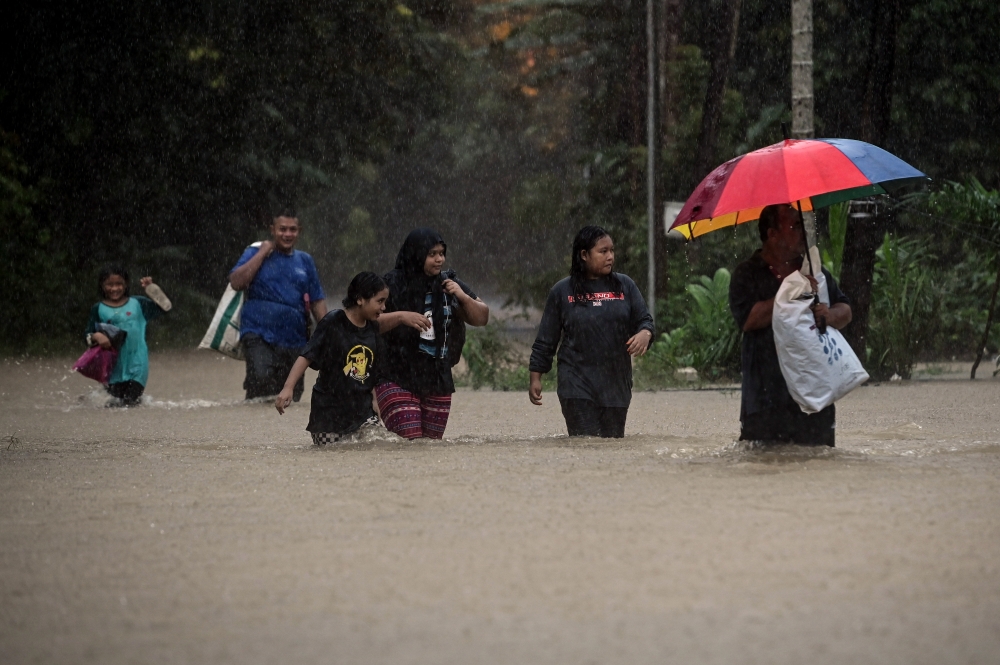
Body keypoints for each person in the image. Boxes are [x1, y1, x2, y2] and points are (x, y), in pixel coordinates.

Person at [728, 203, 853, 446]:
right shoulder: (747, 273)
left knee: (818, 468)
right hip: (765, 402)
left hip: (815, 399)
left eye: (803, 225)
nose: (804, 233)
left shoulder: (814, 270)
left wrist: (828, 315)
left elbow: (845, 310)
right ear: (772, 234)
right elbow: (749, 319)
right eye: (795, 226)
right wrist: (791, 291)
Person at [528, 225, 654, 438]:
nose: (610, 256)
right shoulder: (562, 291)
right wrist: (535, 377)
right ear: (584, 255)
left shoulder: (625, 286)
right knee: (585, 444)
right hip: (576, 384)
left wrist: (645, 334)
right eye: (603, 251)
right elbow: (546, 339)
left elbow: (645, 321)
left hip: (616, 385)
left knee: (612, 448)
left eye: (612, 251)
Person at [375, 228, 490, 440]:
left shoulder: (449, 283)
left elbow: (481, 318)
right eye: (432, 254)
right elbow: (367, 322)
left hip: (437, 377)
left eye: (441, 253)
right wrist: (401, 317)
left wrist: (462, 296)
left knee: (430, 449)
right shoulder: (391, 284)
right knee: (410, 442)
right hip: (395, 374)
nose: (439, 260)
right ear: (416, 254)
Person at [275, 272, 388, 445]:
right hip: (329, 415)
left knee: (378, 446)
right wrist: (288, 387)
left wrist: (375, 400)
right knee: (333, 457)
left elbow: (369, 371)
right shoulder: (334, 322)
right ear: (360, 299)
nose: (384, 307)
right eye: (379, 301)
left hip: (362, 413)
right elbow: (307, 355)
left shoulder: (372, 328)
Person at [229, 208, 327, 401]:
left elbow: (317, 300)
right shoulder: (255, 252)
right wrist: (263, 252)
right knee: (261, 381)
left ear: (299, 230)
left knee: (291, 396)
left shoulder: (305, 261)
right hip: (258, 333)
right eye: (283, 229)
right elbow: (236, 282)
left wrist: (331, 332)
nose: (288, 234)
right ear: (272, 229)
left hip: (295, 339)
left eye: (293, 229)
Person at [85, 265, 171, 406]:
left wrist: (152, 290)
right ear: (102, 285)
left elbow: (165, 307)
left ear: (126, 284)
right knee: (114, 405)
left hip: (138, 364)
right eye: (109, 284)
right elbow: (87, 335)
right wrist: (96, 337)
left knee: (129, 403)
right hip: (112, 367)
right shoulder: (98, 309)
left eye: (119, 284)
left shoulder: (138, 303)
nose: (114, 288)